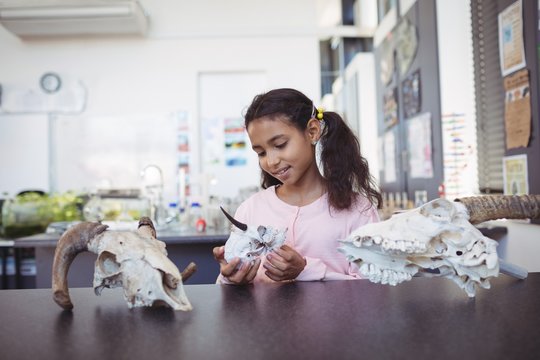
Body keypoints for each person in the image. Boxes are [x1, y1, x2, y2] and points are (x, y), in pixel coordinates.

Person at [213, 88, 381, 284]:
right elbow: (226, 294)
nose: (271, 161)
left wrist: (305, 270)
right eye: (261, 153)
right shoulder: (250, 210)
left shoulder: (359, 212)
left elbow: (373, 291)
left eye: (280, 144)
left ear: (312, 131)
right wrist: (231, 279)